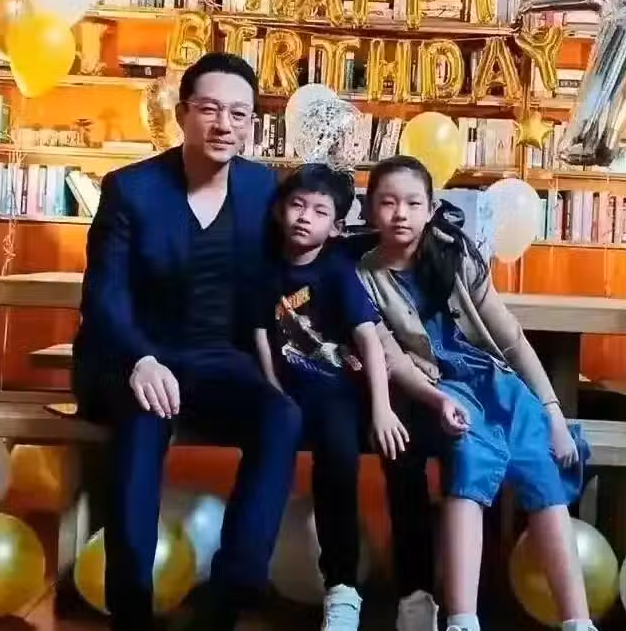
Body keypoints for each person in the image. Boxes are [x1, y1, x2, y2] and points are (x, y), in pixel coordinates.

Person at [72, 52, 303, 631]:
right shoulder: (131, 189)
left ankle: (229, 595)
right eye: (210, 109)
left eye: (239, 114)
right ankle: (131, 609)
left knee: (281, 415)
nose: (224, 124)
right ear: (182, 115)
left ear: (252, 124)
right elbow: (103, 295)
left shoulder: (260, 186)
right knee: (142, 420)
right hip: (136, 355)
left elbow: (297, 260)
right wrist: (140, 359)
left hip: (218, 359)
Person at [357, 156, 595, 631]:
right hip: (436, 387)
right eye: (388, 202)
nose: (400, 214)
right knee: (469, 454)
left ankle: (578, 621)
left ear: (431, 209)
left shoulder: (457, 256)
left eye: (413, 203)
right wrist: (438, 400)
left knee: (542, 461)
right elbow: (393, 359)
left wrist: (552, 413)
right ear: (369, 210)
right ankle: (463, 619)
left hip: (495, 381)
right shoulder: (365, 275)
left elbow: (512, 340)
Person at [255, 164, 408, 631]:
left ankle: (342, 587)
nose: (305, 217)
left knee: (339, 460)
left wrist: (381, 409)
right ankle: (247, 574)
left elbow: (369, 341)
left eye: (320, 211)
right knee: (265, 454)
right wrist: (273, 389)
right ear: (280, 210)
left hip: (336, 393)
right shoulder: (263, 268)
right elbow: (260, 333)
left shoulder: (337, 272)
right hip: (285, 394)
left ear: (337, 227)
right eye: (297, 205)